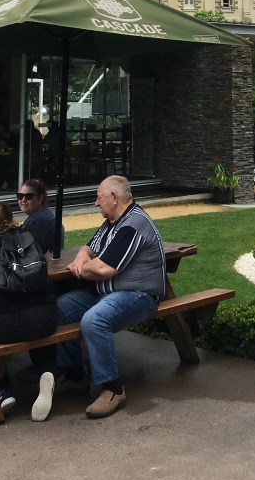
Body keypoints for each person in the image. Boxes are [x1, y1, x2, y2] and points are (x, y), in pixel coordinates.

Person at [34, 175, 166, 419]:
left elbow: (105, 269)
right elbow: (87, 248)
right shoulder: (111, 223)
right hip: (106, 294)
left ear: (114, 197)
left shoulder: (133, 224)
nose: (96, 203)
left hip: (138, 295)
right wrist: (81, 259)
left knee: (94, 320)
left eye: (99, 197)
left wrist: (81, 268)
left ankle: (113, 389)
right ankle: (74, 375)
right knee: (60, 308)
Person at [0, 202, 58, 420]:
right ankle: (46, 371)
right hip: (41, 321)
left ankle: (3, 389)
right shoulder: (32, 236)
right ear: (12, 218)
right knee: (38, 319)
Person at [17, 177, 64, 254]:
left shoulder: (35, 221)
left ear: (40, 199)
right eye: (20, 196)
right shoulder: (47, 213)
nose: (23, 200)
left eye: (29, 196)